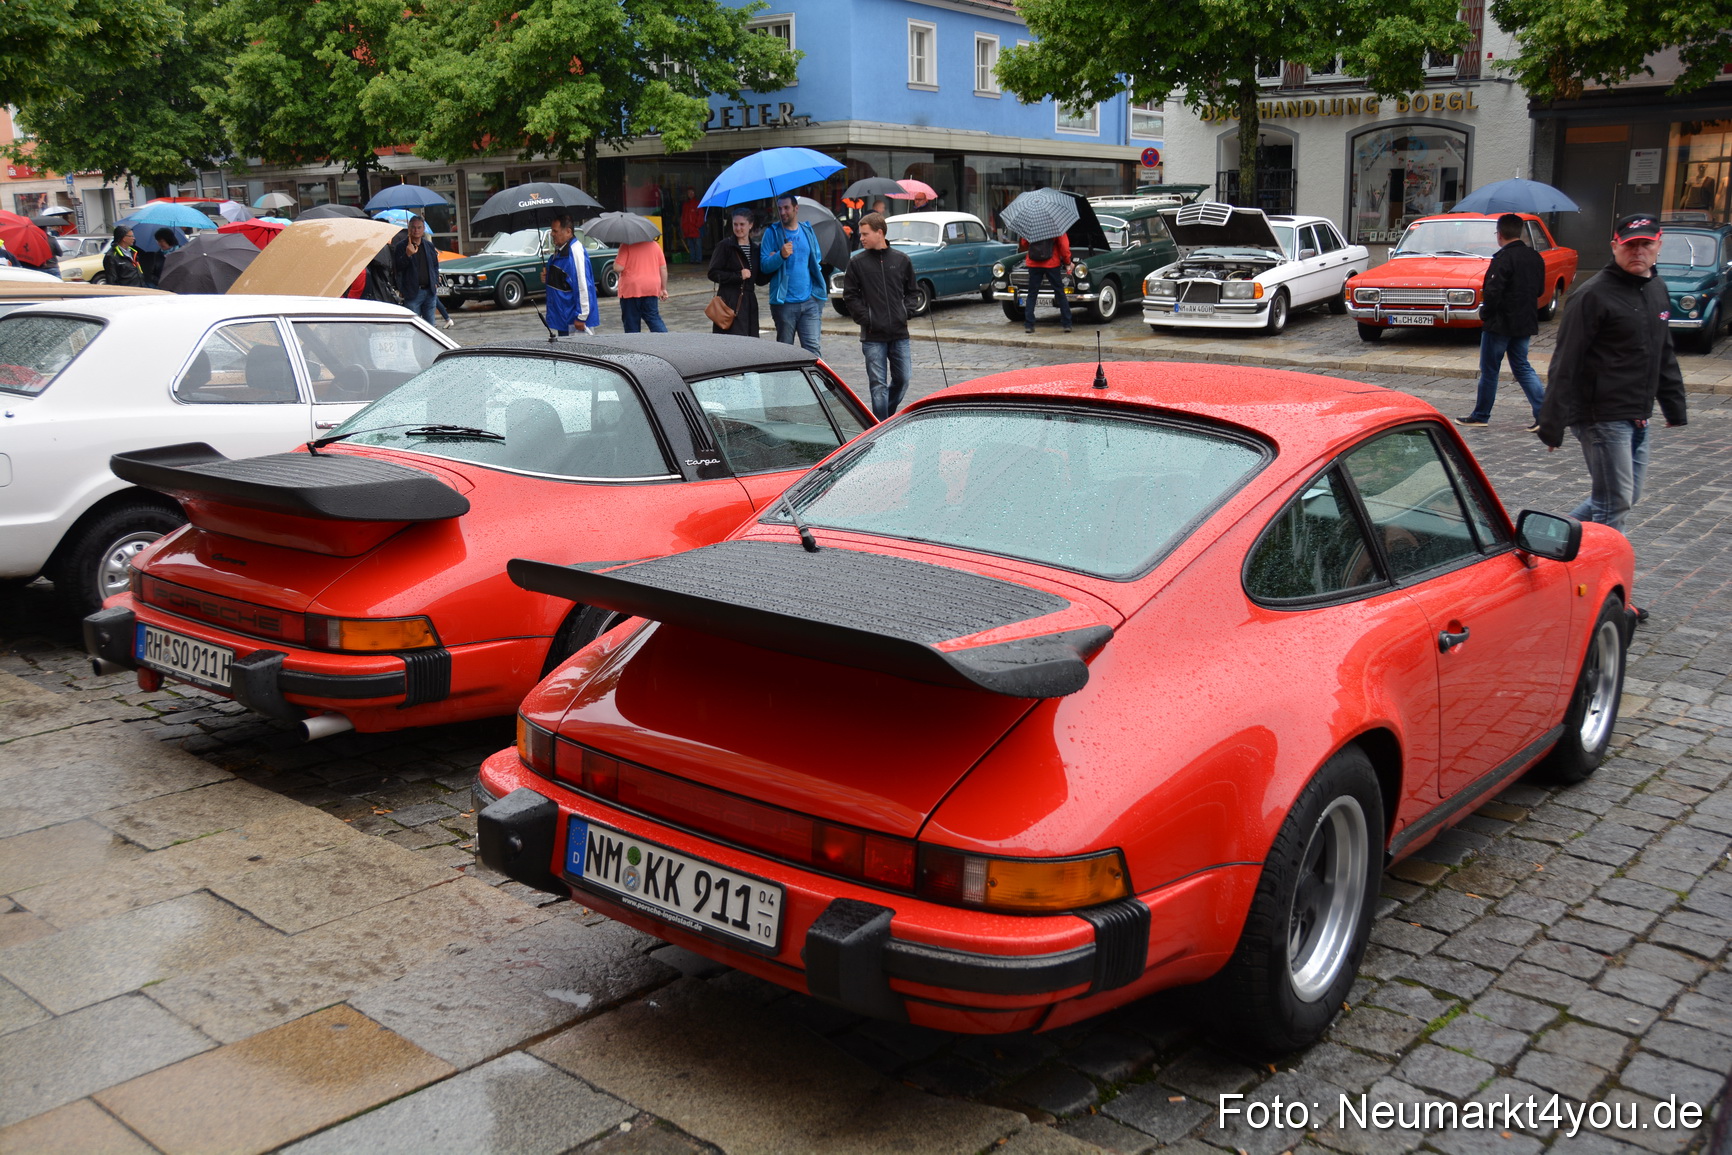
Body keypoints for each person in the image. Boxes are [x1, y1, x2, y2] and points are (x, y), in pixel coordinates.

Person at [1537, 213, 1687, 536]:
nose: (1638, 252)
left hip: (1637, 411)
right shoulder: (1591, 296)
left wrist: (1674, 406)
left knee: (1624, 496)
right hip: (1600, 415)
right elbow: (1565, 362)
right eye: (1629, 246)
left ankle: (1548, 537)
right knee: (1613, 502)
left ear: (1659, 246)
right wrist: (1552, 425)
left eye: (1645, 245)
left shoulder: (1657, 289)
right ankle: (1599, 574)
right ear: (1614, 247)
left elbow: (1663, 351)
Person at [1457, 213, 1546, 430]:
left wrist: (1485, 314)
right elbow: (1540, 290)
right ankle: (1545, 414)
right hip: (1524, 321)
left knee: (1490, 370)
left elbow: (1493, 292)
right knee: (1523, 367)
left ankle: (1481, 415)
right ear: (1520, 233)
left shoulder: (1503, 259)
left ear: (1500, 235)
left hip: (1500, 323)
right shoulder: (1535, 257)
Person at [842, 212, 919, 420]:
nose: (861, 238)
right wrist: (866, 318)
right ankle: (880, 427)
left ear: (880, 232)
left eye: (865, 234)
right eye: (861, 234)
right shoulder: (857, 262)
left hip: (899, 333)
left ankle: (886, 417)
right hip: (872, 335)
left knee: (903, 379)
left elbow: (913, 292)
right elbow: (849, 295)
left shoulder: (901, 260)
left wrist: (906, 312)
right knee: (878, 386)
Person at [760, 193, 826, 355]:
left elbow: (816, 259)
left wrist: (815, 293)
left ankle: (815, 381)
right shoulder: (772, 233)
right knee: (785, 351)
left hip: (810, 301)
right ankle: (784, 380)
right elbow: (764, 266)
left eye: (786, 208)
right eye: (780, 208)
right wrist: (780, 255)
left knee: (813, 350)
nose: (783, 212)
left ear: (796, 209)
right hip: (784, 303)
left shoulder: (807, 230)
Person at [707, 207, 760, 337]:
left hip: (749, 302)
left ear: (750, 225)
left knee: (751, 342)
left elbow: (759, 279)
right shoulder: (725, 246)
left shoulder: (755, 249)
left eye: (742, 224)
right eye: (735, 224)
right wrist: (738, 276)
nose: (738, 228)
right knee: (732, 343)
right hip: (729, 302)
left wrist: (777, 259)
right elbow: (713, 273)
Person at [545, 210, 598, 336]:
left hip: (572, 320)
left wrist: (581, 316)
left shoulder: (575, 252)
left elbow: (583, 284)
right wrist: (548, 276)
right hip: (564, 316)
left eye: (555, 231)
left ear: (568, 232)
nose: (552, 234)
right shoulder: (562, 251)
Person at [1018, 230, 1072, 334]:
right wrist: (1067, 262)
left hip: (1034, 263)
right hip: (1052, 263)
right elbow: (1064, 246)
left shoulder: (1031, 226)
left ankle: (1029, 325)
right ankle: (1067, 324)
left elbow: (1024, 244)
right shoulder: (1055, 226)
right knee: (1059, 292)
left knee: (1032, 294)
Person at [390, 216, 440, 324]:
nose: (416, 230)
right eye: (413, 227)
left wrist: (435, 281)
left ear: (423, 229)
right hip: (413, 293)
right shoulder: (401, 247)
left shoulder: (428, 246)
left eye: (419, 227)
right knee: (413, 326)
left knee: (430, 327)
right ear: (409, 228)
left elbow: (435, 265)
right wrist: (407, 255)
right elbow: (397, 268)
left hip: (429, 292)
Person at [615, 236, 669, 333]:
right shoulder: (655, 246)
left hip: (631, 290)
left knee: (631, 322)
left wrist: (616, 259)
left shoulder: (626, 246)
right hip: (651, 288)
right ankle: (666, 340)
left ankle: (634, 345)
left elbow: (618, 268)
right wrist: (663, 288)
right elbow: (663, 268)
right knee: (653, 318)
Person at [679, 189, 704, 265]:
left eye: (692, 192)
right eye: (689, 192)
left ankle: (698, 259)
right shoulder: (685, 205)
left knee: (697, 245)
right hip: (688, 229)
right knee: (691, 246)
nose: (690, 194)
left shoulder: (698, 203)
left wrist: (697, 226)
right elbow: (683, 217)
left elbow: (701, 216)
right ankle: (692, 259)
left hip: (695, 229)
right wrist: (683, 227)